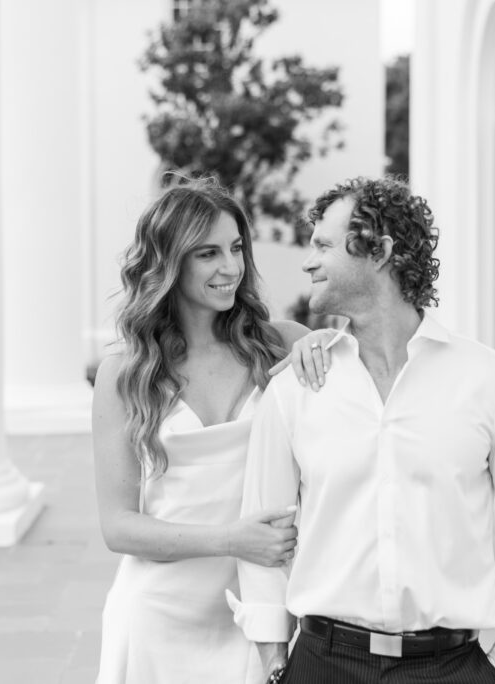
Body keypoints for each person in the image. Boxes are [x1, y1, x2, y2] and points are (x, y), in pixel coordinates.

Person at [231, 177, 495, 684]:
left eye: (324, 245)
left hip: (453, 666)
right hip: (323, 663)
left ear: (380, 250)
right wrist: (274, 661)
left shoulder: (488, 381)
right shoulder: (297, 388)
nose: (308, 261)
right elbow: (264, 534)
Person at [93, 177, 335, 684]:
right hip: (156, 619)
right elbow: (119, 527)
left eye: (236, 248)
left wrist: (333, 345)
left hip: (259, 611)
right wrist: (233, 539)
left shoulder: (282, 345)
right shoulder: (126, 372)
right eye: (208, 254)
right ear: (169, 263)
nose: (230, 267)